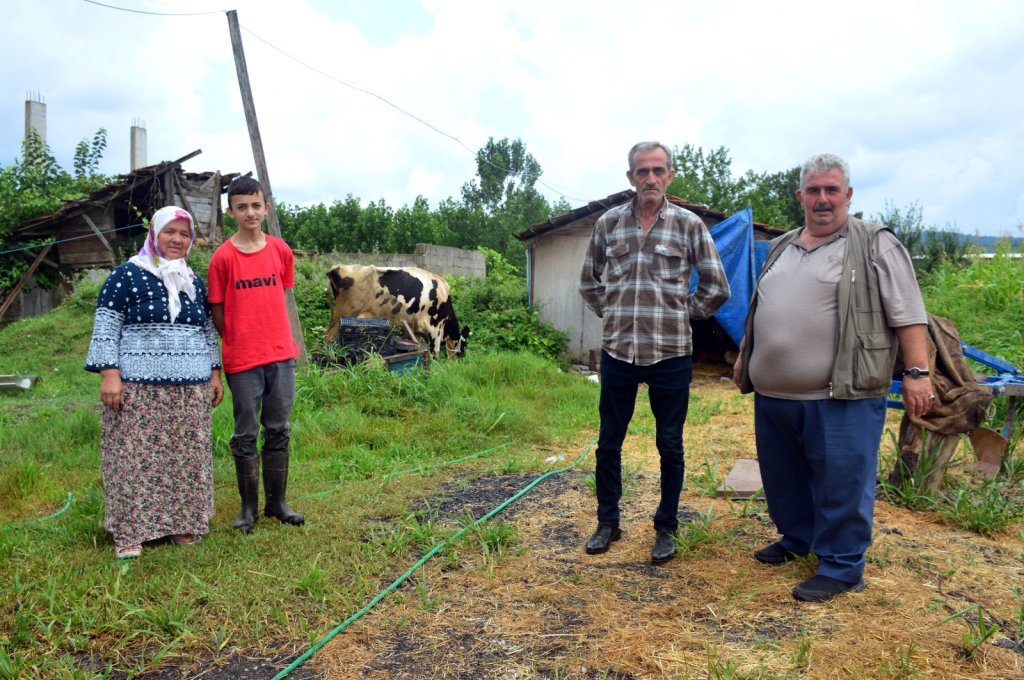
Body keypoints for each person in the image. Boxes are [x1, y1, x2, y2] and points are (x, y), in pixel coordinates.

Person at [733, 153, 932, 602]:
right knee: (785, 479)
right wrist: (746, 356)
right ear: (800, 195)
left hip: (842, 394)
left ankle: (842, 565)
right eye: (814, 190)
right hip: (775, 395)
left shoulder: (874, 242)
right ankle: (799, 538)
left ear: (848, 194)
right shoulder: (783, 244)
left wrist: (918, 373)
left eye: (832, 190)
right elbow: (762, 308)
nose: (822, 199)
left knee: (843, 479)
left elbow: (909, 315)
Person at [579, 141, 730, 564]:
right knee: (609, 443)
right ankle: (608, 521)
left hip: (670, 353)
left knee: (670, 444)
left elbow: (718, 287)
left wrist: (684, 313)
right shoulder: (608, 224)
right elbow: (589, 283)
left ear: (670, 176)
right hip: (619, 352)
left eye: (657, 170)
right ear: (630, 177)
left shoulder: (688, 225)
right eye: (642, 171)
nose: (650, 178)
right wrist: (613, 314)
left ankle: (666, 527)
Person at [85, 206, 224, 559]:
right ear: (154, 234)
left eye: (184, 234)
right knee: (134, 458)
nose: (177, 240)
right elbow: (106, 326)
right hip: (138, 388)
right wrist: (110, 375)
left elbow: (207, 331)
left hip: (190, 388)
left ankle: (180, 523)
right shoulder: (126, 275)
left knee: (185, 457)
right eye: (170, 232)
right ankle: (131, 530)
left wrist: (214, 373)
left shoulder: (193, 281)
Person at [207, 176, 304, 532]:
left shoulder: (281, 251)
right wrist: (237, 337)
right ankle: (247, 509)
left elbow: (281, 296)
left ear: (266, 207)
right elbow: (217, 309)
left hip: (281, 355)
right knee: (245, 433)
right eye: (242, 206)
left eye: (256, 205)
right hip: (243, 360)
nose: (250, 212)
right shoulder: (222, 258)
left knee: (279, 428)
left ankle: (276, 504)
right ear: (230, 211)